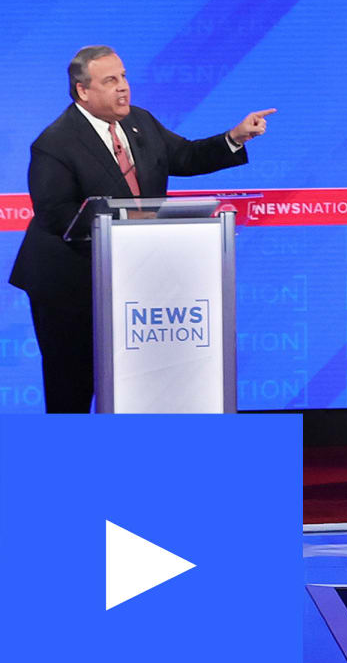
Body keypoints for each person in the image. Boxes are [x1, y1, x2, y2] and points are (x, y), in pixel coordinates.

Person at [8, 45, 274, 413]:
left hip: (135, 278)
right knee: (72, 385)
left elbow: (185, 156)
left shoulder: (140, 123)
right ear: (83, 91)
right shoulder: (55, 143)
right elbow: (56, 214)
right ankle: (65, 463)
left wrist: (235, 137)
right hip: (67, 284)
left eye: (124, 76)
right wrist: (128, 222)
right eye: (111, 80)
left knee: (138, 381)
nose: (123, 88)